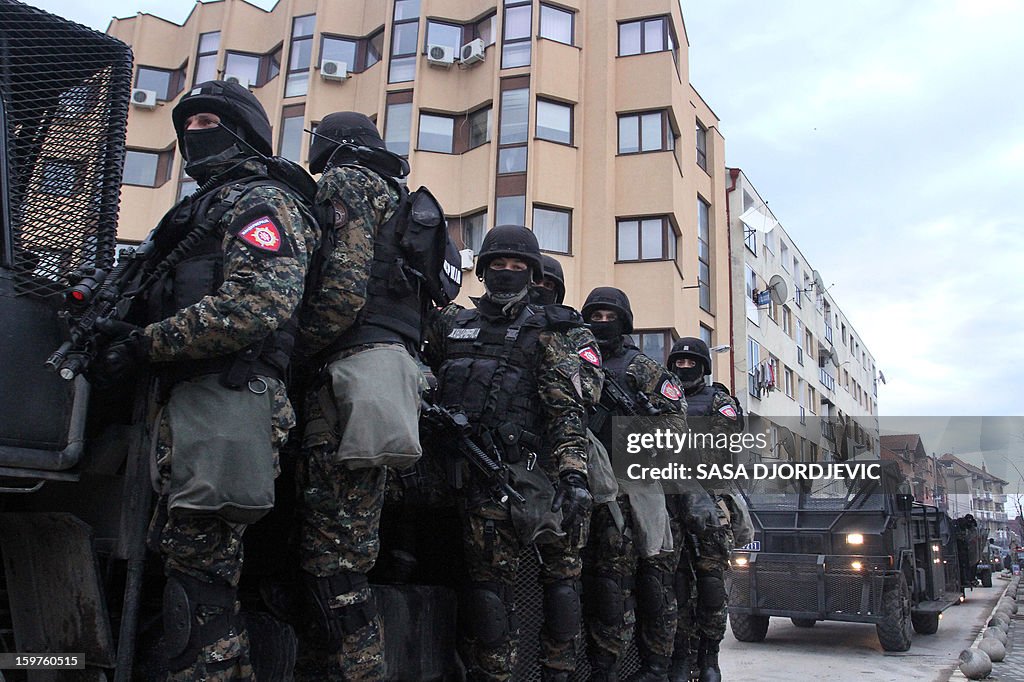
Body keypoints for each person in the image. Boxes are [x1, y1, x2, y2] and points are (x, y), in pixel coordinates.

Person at [91, 80, 317, 680]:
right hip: (186, 402)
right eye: (186, 126)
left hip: (229, 396)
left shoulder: (262, 201)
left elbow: (258, 304)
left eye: (208, 122)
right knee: (188, 568)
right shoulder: (197, 212)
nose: (194, 135)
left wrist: (145, 345)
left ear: (242, 130)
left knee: (202, 576)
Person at [423, 225, 593, 682]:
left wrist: (574, 474)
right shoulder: (452, 324)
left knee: (495, 598)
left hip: (514, 478)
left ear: (533, 276)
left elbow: (567, 411)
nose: (506, 273)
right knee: (467, 592)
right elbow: (423, 371)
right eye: (497, 265)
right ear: (482, 270)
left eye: (518, 267)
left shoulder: (551, 331)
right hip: (448, 474)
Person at [295, 111, 427, 679]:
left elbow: (345, 289)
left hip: (350, 369)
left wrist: (294, 351)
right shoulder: (401, 199)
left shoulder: (347, 183)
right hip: (391, 374)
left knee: (334, 554)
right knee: (353, 543)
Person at [579, 287, 687, 682]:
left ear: (624, 322)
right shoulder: (576, 357)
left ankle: (640, 666)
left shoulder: (642, 368)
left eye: (610, 316)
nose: (602, 323)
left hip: (628, 487)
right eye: (596, 315)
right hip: (581, 479)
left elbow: (676, 425)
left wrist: (640, 430)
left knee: (630, 584)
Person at [666, 338, 743, 682]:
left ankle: (710, 657)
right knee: (677, 586)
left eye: (690, 363)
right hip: (672, 503)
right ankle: (681, 656)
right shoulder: (662, 399)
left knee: (711, 585)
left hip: (711, 501)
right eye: (678, 363)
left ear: (703, 367)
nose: (683, 368)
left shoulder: (718, 400)